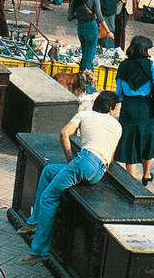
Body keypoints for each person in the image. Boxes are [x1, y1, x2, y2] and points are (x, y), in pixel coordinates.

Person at [20, 91, 122, 257]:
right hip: (98, 172)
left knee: (48, 197)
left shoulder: (84, 115)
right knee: (49, 171)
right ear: (110, 108)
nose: (115, 111)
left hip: (85, 161)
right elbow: (110, 158)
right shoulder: (117, 126)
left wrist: (70, 159)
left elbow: (64, 133)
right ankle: (34, 222)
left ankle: (38, 250)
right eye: (115, 108)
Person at [115, 35, 154, 186]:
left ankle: (131, 181)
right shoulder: (150, 65)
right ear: (144, 49)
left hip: (128, 108)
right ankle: (146, 174)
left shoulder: (123, 66)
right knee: (146, 139)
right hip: (145, 108)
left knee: (129, 141)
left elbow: (119, 93)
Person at [68, 0, 103, 74]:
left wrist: (79, 15)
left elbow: (70, 17)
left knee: (85, 55)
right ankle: (88, 86)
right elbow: (99, 17)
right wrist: (108, 31)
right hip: (91, 27)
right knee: (89, 57)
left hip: (80, 28)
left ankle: (81, 81)